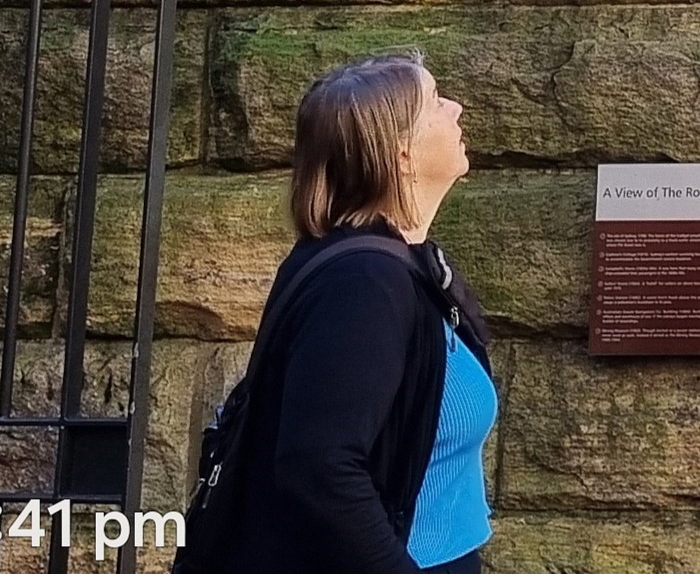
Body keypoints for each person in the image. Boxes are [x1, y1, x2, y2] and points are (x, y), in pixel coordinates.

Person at [175, 53, 496, 574]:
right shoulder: (364, 283)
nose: (456, 109)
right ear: (401, 154)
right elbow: (319, 468)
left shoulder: (402, 264)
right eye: (436, 102)